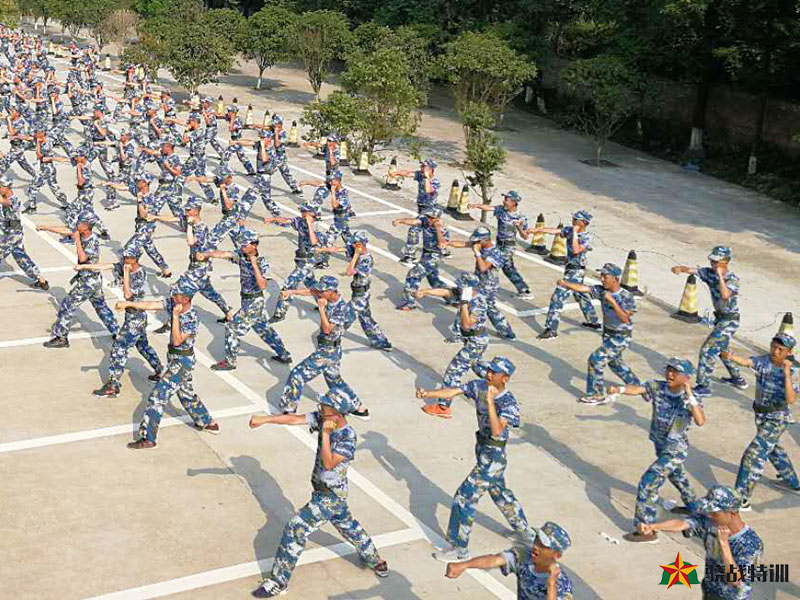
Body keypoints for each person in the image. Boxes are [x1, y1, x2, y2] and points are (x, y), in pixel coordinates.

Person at [248, 388, 388, 597]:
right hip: (326, 492)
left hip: (330, 496)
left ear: (336, 412)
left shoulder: (347, 437)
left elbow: (329, 463)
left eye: (325, 406)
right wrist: (265, 420)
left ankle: (279, 581)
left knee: (296, 528)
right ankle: (374, 560)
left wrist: (325, 433)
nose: (320, 408)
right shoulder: (323, 418)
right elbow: (294, 419)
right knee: (348, 525)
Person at [416, 357, 533, 560]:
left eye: (494, 372)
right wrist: (429, 393)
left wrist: (490, 402)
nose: (488, 374)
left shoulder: (509, 404)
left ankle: (458, 549)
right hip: (482, 448)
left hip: (494, 455)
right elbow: (454, 391)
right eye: (489, 370)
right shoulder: (479, 385)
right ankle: (525, 534)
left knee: (464, 497)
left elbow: (497, 431)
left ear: (504, 378)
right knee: (499, 492)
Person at [605, 358, 707, 543]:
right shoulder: (658, 387)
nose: (670, 374)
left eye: (675, 372)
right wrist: (618, 390)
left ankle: (645, 529)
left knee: (648, 482)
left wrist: (689, 393)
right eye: (668, 370)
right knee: (678, 477)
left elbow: (700, 420)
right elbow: (638, 389)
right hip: (660, 444)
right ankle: (697, 510)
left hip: (675, 450)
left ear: (686, 377)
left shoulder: (690, 398)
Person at [125, 289, 220, 449]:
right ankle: (207, 422)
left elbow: (177, 341)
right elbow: (152, 305)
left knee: (157, 397)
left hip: (182, 362)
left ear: (186, 299)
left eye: (176, 295)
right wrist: (128, 304)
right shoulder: (174, 304)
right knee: (186, 393)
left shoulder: (191, 318)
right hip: (174, 359)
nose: (172, 296)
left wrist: (175, 317)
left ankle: (149, 438)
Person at [640, 485, 763, 599]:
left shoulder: (751, 544)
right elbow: (682, 524)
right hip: (710, 591)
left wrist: (724, 544)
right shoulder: (711, 523)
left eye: (715, 513)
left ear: (732, 513)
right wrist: (653, 527)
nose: (709, 515)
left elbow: (735, 580)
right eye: (708, 511)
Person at [722, 333, 799, 509]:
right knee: (773, 450)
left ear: (788, 352)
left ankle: (741, 499)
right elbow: (747, 362)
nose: (775, 351)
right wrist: (731, 357)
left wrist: (787, 374)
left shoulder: (792, 371)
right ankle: (793, 482)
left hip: (777, 419)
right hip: (761, 416)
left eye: (780, 349)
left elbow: (791, 399)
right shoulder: (764, 361)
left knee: (753, 455)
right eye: (773, 346)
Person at [277, 276, 370, 420]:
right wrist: (291, 292)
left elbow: (327, 329)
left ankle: (289, 411)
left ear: (331, 291)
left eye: (323, 291)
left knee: (297, 375)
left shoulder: (341, 309)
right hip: (331, 349)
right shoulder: (325, 295)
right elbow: (311, 291)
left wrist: (321, 308)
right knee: (334, 380)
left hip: (327, 352)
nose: (319, 293)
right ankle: (359, 408)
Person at [201, 227, 292, 370]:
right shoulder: (241, 255)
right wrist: (207, 253)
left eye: (245, 244)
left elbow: (262, 285)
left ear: (254, 245)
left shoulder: (262, 262)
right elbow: (225, 254)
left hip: (254, 302)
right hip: (247, 300)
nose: (242, 247)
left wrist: (254, 265)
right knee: (264, 329)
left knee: (231, 329)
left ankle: (230, 362)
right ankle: (284, 355)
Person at [558, 262, 641, 404]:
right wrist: (566, 283)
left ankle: (596, 395)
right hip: (608, 333)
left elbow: (625, 318)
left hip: (621, 336)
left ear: (615, 279)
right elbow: (584, 288)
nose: (602, 279)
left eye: (605, 276)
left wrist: (613, 302)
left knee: (595, 360)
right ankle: (635, 385)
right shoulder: (602, 290)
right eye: (601, 276)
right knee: (614, 362)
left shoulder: (626, 296)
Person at [671, 246, 744, 397]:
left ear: (725, 262)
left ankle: (703, 386)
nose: (713, 264)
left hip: (730, 320)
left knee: (707, 350)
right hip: (720, 318)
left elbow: (725, 295)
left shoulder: (732, 279)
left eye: (716, 262)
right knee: (721, 349)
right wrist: (680, 269)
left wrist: (720, 277)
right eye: (711, 261)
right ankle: (738, 379)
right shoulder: (709, 273)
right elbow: (693, 270)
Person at [39, 213, 119, 348]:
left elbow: (83, 259)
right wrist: (46, 227)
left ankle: (61, 337)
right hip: (92, 280)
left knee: (67, 305)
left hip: (88, 282)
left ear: (87, 227)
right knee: (101, 307)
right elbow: (66, 230)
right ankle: (117, 332)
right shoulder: (82, 233)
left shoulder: (92, 242)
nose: (77, 224)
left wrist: (76, 241)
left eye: (80, 222)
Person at [416, 274, 490, 418]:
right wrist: (425, 291)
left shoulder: (478, 303)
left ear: (469, 289)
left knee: (453, 371)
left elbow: (467, 325)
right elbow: (446, 292)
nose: (458, 289)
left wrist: (464, 303)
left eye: (461, 287)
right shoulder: (464, 294)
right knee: (476, 365)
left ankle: (443, 407)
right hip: (470, 339)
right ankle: (494, 384)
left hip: (476, 342)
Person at [92, 251, 163, 398]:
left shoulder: (139, 274)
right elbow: (108, 266)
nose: (123, 259)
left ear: (134, 259)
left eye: (126, 258)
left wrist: (125, 273)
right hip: (135, 317)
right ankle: (160, 371)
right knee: (143, 346)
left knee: (119, 348)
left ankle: (113, 385)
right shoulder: (127, 266)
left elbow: (128, 295)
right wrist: (84, 267)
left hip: (135, 318)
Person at [445, 521, 573, 600]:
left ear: (557, 555)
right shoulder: (524, 556)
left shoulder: (562, 584)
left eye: (543, 546)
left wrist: (551, 584)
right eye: (537, 540)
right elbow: (494, 560)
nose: (536, 546)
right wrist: (464, 565)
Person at [533, 211, 600, 340]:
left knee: (557, 298)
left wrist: (574, 232)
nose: (573, 221)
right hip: (570, 269)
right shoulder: (569, 230)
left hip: (576, 271)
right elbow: (556, 231)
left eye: (576, 219)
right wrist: (537, 230)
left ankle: (551, 329)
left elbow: (576, 250)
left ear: (583, 223)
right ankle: (593, 321)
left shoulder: (586, 237)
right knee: (580, 295)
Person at [447, 225, 515, 339]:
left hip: (488, 285)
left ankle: (506, 332)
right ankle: (458, 333)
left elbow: (483, 268)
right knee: (467, 304)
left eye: (477, 241)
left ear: (485, 240)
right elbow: (463, 244)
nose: (475, 243)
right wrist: (448, 243)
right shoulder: (479, 244)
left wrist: (477, 253)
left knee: (484, 307)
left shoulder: (496, 253)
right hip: (477, 283)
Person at [469, 191, 533, 299]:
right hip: (498, 244)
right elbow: (489, 208)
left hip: (508, 247)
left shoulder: (520, 217)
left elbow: (525, 236)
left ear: (513, 202)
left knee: (490, 263)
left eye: (506, 200)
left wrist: (519, 227)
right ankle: (524, 290)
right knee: (508, 268)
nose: (504, 202)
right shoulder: (501, 210)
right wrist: (476, 205)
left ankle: (482, 287)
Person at [340, 230, 391, 351]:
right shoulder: (357, 253)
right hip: (358, 292)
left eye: (355, 244)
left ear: (361, 244)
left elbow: (349, 272)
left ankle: (330, 339)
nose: (353, 246)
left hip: (361, 295)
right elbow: (340, 249)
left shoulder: (366, 260)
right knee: (365, 318)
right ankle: (380, 341)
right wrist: (322, 250)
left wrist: (356, 255)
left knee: (345, 316)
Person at [394, 205, 449, 311]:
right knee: (434, 280)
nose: (427, 219)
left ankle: (409, 302)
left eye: (429, 217)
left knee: (413, 274)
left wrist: (438, 228)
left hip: (433, 257)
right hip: (425, 254)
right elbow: (415, 222)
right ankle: (453, 298)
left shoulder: (442, 230)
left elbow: (442, 244)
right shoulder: (426, 222)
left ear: (435, 218)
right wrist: (400, 221)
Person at [0, 178, 49, 290]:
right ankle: (41, 280)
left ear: (6, 187)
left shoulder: (14, 199)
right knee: (21, 257)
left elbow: (6, 203)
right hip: (11, 233)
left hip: (12, 234)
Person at [396, 159, 440, 264]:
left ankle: (410, 256)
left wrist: (426, 178)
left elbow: (428, 190)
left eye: (424, 167)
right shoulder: (421, 175)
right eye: (422, 166)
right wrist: (396, 173)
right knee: (433, 231)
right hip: (422, 208)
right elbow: (408, 173)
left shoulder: (435, 182)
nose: (421, 168)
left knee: (414, 228)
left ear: (431, 169)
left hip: (430, 210)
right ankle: (442, 248)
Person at [24, 129, 69, 213]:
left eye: (36, 133)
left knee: (33, 187)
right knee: (54, 187)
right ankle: (66, 204)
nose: (35, 134)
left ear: (42, 134)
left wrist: (38, 143)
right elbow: (29, 138)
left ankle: (32, 207)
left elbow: (39, 156)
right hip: (48, 168)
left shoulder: (46, 144)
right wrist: (17, 136)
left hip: (47, 169)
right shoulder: (41, 139)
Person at [271, 114, 302, 194]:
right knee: (285, 173)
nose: (273, 126)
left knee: (269, 171)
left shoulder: (283, 134)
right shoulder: (273, 131)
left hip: (280, 157)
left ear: (280, 124)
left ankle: (296, 188)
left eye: (275, 124)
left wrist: (276, 133)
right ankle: (295, 188)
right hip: (274, 155)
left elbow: (277, 144)